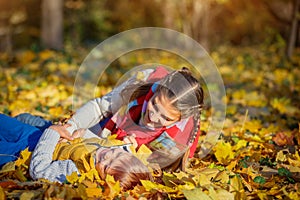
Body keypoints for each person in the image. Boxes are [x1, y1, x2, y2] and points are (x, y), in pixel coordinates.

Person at [63, 66, 204, 170]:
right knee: (52, 133)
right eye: (154, 104)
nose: (153, 117)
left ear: (181, 119)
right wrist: (70, 126)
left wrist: (133, 151)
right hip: (110, 124)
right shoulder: (144, 80)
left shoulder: (179, 139)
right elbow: (101, 107)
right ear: (156, 90)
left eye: (165, 118)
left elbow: (149, 171)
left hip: (109, 156)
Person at [0, 114, 152, 190]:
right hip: (32, 134)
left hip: (22, 154)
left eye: (106, 166)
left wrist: (53, 133)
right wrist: (79, 134)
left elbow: (39, 170)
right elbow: (93, 139)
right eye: (117, 154)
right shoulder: (112, 147)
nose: (107, 156)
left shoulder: (77, 171)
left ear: (103, 181)